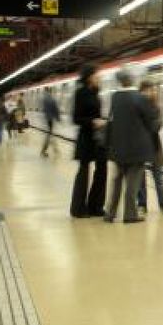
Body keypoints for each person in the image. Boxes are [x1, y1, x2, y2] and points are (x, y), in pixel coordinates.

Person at [104, 68, 157, 224]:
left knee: (117, 182)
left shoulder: (115, 97)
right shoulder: (140, 98)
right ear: (132, 79)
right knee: (132, 184)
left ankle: (110, 213)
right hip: (137, 149)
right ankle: (130, 214)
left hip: (118, 148)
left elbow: (110, 121)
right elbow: (151, 122)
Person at [70, 64, 108, 218]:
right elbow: (76, 118)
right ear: (89, 77)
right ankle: (78, 209)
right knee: (84, 173)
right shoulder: (80, 93)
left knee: (102, 171)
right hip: (86, 138)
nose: (99, 77)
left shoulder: (96, 93)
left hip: (98, 139)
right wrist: (93, 121)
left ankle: (96, 206)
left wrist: (102, 121)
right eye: (97, 75)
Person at [136, 80, 163, 216]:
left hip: (154, 146)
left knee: (158, 177)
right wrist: (153, 124)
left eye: (153, 90)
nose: (152, 92)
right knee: (140, 179)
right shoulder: (137, 106)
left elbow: (156, 126)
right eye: (149, 90)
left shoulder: (156, 107)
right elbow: (151, 125)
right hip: (141, 146)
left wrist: (154, 124)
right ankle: (142, 205)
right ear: (142, 91)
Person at [41, 87, 60, 157]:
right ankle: (44, 150)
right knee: (50, 134)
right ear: (50, 91)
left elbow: (44, 109)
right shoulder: (52, 99)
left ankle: (55, 149)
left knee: (50, 134)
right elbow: (56, 109)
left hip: (46, 119)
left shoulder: (44, 99)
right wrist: (58, 118)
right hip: (50, 120)